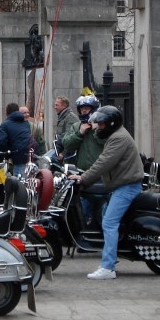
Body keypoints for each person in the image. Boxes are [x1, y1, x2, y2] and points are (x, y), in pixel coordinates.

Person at [67, 106, 144, 281]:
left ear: (111, 123)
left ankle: (108, 267)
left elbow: (104, 162)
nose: (98, 127)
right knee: (105, 216)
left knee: (109, 222)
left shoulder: (118, 138)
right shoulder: (116, 135)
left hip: (127, 186)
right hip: (122, 184)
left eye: (101, 124)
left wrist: (83, 178)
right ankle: (112, 256)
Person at [60, 94, 104, 225]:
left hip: (102, 175)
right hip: (83, 174)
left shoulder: (102, 126)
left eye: (87, 108)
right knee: (83, 208)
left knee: (102, 210)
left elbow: (109, 143)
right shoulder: (76, 126)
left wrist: (97, 131)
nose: (84, 111)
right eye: (81, 109)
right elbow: (67, 144)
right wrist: (79, 133)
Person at [0, 102, 32, 177]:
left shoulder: (5, 125)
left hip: (18, 156)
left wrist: (7, 154)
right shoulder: (26, 123)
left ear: (7, 113)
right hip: (30, 154)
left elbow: (1, 142)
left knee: (18, 181)